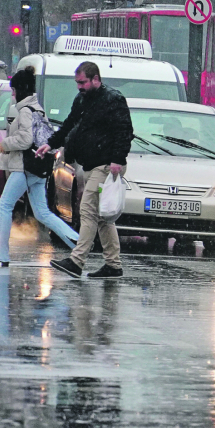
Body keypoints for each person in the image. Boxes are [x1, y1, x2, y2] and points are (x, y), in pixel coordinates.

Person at [39, 62, 134, 279]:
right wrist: (51, 143)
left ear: (95, 79)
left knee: (88, 210)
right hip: (93, 165)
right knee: (102, 218)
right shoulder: (82, 99)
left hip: (106, 166)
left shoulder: (113, 99)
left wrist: (117, 160)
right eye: (77, 83)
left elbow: (124, 131)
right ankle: (113, 264)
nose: (79, 87)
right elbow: (69, 124)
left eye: (82, 82)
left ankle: (77, 261)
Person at [0, 67, 79, 267]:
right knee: (42, 212)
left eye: (14, 90)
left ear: (21, 89)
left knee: (5, 206)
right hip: (36, 167)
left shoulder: (25, 110)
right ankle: (77, 241)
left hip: (24, 167)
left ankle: (0, 254)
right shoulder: (37, 108)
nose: (13, 95)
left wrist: (4, 145)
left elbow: (25, 140)